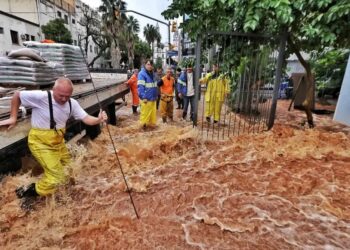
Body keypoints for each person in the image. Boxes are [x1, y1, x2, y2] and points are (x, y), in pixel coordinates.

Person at [0, 77, 108, 202]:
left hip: (58, 142)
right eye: (61, 95)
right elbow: (17, 95)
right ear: (53, 90)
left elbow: (86, 118)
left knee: (70, 169)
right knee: (58, 177)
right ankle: (26, 192)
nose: (63, 99)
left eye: (67, 96)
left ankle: (61, 194)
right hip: (40, 143)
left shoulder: (72, 103)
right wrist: (13, 117)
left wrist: (98, 119)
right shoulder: (42, 97)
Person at [138, 59, 158, 128]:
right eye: (148, 64)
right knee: (144, 119)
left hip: (153, 99)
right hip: (146, 99)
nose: (149, 66)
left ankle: (151, 135)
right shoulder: (142, 74)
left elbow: (154, 86)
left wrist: (156, 95)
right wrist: (144, 97)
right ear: (145, 65)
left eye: (151, 65)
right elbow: (140, 87)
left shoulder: (153, 73)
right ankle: (143, 133)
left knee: (152, 120)